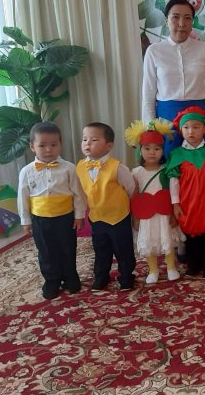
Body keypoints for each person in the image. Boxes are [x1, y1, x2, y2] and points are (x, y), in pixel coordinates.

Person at [142, 0, 205, 155]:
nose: (181, 23)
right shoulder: (154, 51)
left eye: (187, 18)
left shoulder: (203, 49)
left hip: (198, 118)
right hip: (166, 120)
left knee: (199, 163)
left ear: (192, 22)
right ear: (166, 21)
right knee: (169, 163)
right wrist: (150, 128)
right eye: (175, 17)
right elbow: (148, 94)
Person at [17, 122, 86, 300]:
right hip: (40, 219)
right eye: (42, 145)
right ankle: (52, 280)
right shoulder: (26, 171)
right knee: (46, 251)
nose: (48, 149)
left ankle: (70, 277)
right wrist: (26, 220)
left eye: (53, 145)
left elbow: (78, 194)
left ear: (60, 144)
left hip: (65, 218)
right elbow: (23, 197)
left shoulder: (69, 168)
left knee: (68, 248)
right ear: (32, 146)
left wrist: (79, 216)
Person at [163, 106, 205, 279]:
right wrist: (175, 203)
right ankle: (193, 264)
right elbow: (174, 181)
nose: (191, 131)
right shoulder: (177, 154)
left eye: (196, 127)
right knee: (190, 234)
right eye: (186, 127)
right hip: (188, 202)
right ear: (181, 130)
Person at [77, 123, 136, 291]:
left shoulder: (118, 167)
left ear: (108, 146)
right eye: (85, 139)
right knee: (101, 249)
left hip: (118, 217)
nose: (88, 143)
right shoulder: (79, 167)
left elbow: (130, 188)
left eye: (94, 140)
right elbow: (80, 192)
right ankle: (101, 276)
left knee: (123, 249)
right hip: (97, 216)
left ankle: (126, 276)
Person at [124, 119, 181, 285]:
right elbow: (134, 196)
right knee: (150, 242)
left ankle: (171, 267)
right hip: (146, 215)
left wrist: (173, 213)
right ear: (140, 150)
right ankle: (153, 269)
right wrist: (135, 217)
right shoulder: (136, 173)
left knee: (167, 239)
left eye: (157, 149)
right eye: (147, 148)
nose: (152, 152)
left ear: (163, 151)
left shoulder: (166, 171)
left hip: (164, 214)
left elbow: (172, 192)